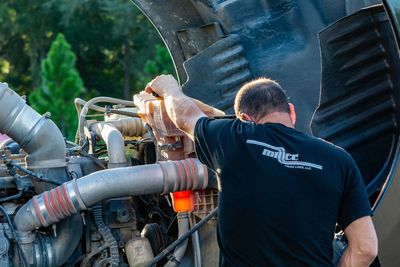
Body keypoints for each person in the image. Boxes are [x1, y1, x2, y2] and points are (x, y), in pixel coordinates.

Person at [146, 74, 378, 267]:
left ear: (244, 119)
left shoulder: (235, 138)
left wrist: (169, 88)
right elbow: (366, 249)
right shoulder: (339, 159)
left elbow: (185, 115)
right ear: (292, 112)